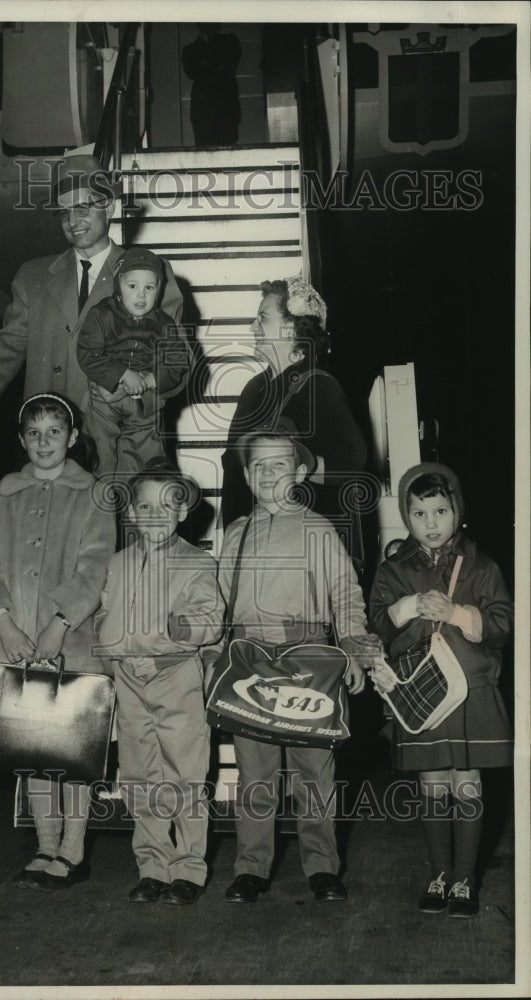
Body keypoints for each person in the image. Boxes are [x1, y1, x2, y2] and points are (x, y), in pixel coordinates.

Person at [0, 392, 116, 891]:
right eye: (33, 433)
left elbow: (95, 566)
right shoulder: (1, 494)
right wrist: (3, 623)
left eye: (54, 432)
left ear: (73, 438)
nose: (43, 442)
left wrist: (59, 623)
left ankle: (73, 850)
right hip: (11, 642)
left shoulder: (93, 495)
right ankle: (44, 845)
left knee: (69, 751)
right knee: (29, 750)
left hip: (68, 640)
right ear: (21, 439)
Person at [218, 424, 375, 904]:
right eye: (258, 466)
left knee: (314, 770)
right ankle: (251, 867)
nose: (268, 473)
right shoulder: (236, 533)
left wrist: (353, 647)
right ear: (246, 476)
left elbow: (345, 593)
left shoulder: (318, 529)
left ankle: (322, 866)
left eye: (279, 463)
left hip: (309, 657)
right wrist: (207, 652)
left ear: (300, 471)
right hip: (249, 662)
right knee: (255, 772)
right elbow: (218, 601)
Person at [368, 463, 513, 919]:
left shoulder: (483, 566)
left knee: (466, 782)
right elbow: (375, 625)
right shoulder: (393, 569)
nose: (431, 524)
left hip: (470, 690)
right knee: (432, 782)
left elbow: (505, 625)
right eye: (419, 514)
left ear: (458, 512)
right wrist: (406, 607)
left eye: (440, 511)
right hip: (421, 693)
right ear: (406, 517)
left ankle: (466, 879)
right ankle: (439, 875)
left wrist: (456, 613)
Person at [0, 155, 183, 430]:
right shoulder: (31, 276)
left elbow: (173, 360)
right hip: (49, 447)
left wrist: (133, 391)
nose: (73, 221)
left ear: (108, 206)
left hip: (120, 440)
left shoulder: (152, 273)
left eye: (82, 207)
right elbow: (5, 348)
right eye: (64, 211)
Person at [93, 458, 224, 905]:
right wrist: (115, 653)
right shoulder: (117, 562)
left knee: (184, 774)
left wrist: (161, 642)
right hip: (128, 683)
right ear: (130, 512)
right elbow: (104, 617)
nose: (154, 516)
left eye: (166, 507)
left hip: (175, 678)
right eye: (144, 507)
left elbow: (209, 622)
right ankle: (152, 865)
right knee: (137, 775)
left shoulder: (197, 562)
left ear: (183, 512)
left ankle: (188, 868)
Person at [220, 276, 368, 561]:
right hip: (251, 546)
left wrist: (297, 464)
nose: (252, 327)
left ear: (290, 329)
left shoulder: (318, 386)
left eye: (262, 317)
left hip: (301, 551)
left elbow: (351, 463)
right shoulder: (253, 390)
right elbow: (233, 472)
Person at [76, 246, 191, 475]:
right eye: (132, 286)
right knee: (99, 460)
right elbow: (88, 352)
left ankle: (143, 500)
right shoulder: (102, 314)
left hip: (144, 403)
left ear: (159, 290)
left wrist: (150, 380)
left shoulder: (164, 323)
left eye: (150, 287)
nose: (141, 295)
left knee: (147, 463)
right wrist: (120, 375)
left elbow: (177, 361)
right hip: (104, 400)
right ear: (118, 284)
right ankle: (102, 505)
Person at [181, 24, 242, 147]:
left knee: (227, 149)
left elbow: (230, 62)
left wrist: (206, 65)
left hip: (224, 110)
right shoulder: (190, 50)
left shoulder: (229, 42)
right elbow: (192, 72)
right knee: (206, 150)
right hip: (204, 112)